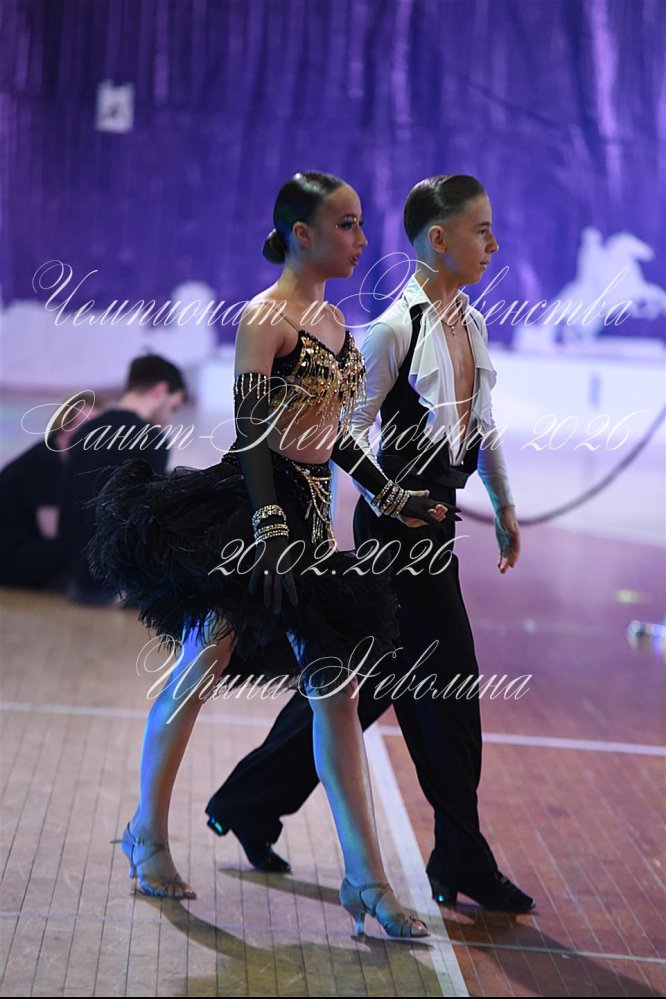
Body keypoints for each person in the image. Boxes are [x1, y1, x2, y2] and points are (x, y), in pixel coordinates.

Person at [87, 171, 454, 937]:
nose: (362, 240)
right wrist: (270, 528)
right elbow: (255, 430)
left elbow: (332, 433)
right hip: (253, 514)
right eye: (347, 225)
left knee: (337, 694)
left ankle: (366, 880)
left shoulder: (335, 321)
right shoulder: (265, 317)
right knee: (202, 664)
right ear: (302, 233)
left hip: (310, 521)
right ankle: (145, 832)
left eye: (360, 224)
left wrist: (389, 493)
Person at [204, 174, 535, 913]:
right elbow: (341, 427)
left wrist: (503, 503)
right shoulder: (391, 329)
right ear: (439, 239)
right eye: (481, 230)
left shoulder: (471, 322)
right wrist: (379, 500)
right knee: (446, 686)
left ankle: (248, 800)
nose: (495, 244)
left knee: (368, 685)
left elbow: (479, 425)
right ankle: (460, 855)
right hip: (396, 535)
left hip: (432, 521)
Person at [60, 354, 187, 605]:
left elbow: (67, 505)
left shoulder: (85, 432)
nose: (167, 417)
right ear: (160, 390)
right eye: (172, 407)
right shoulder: (150, 439)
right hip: (117, 583)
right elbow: (147, 519)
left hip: (75, 576)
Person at [0, 390, 100, 589]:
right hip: (10, 557)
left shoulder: (56, 458)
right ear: (66, 424)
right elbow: (52, 530)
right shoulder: (47, 461)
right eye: (89, 425)